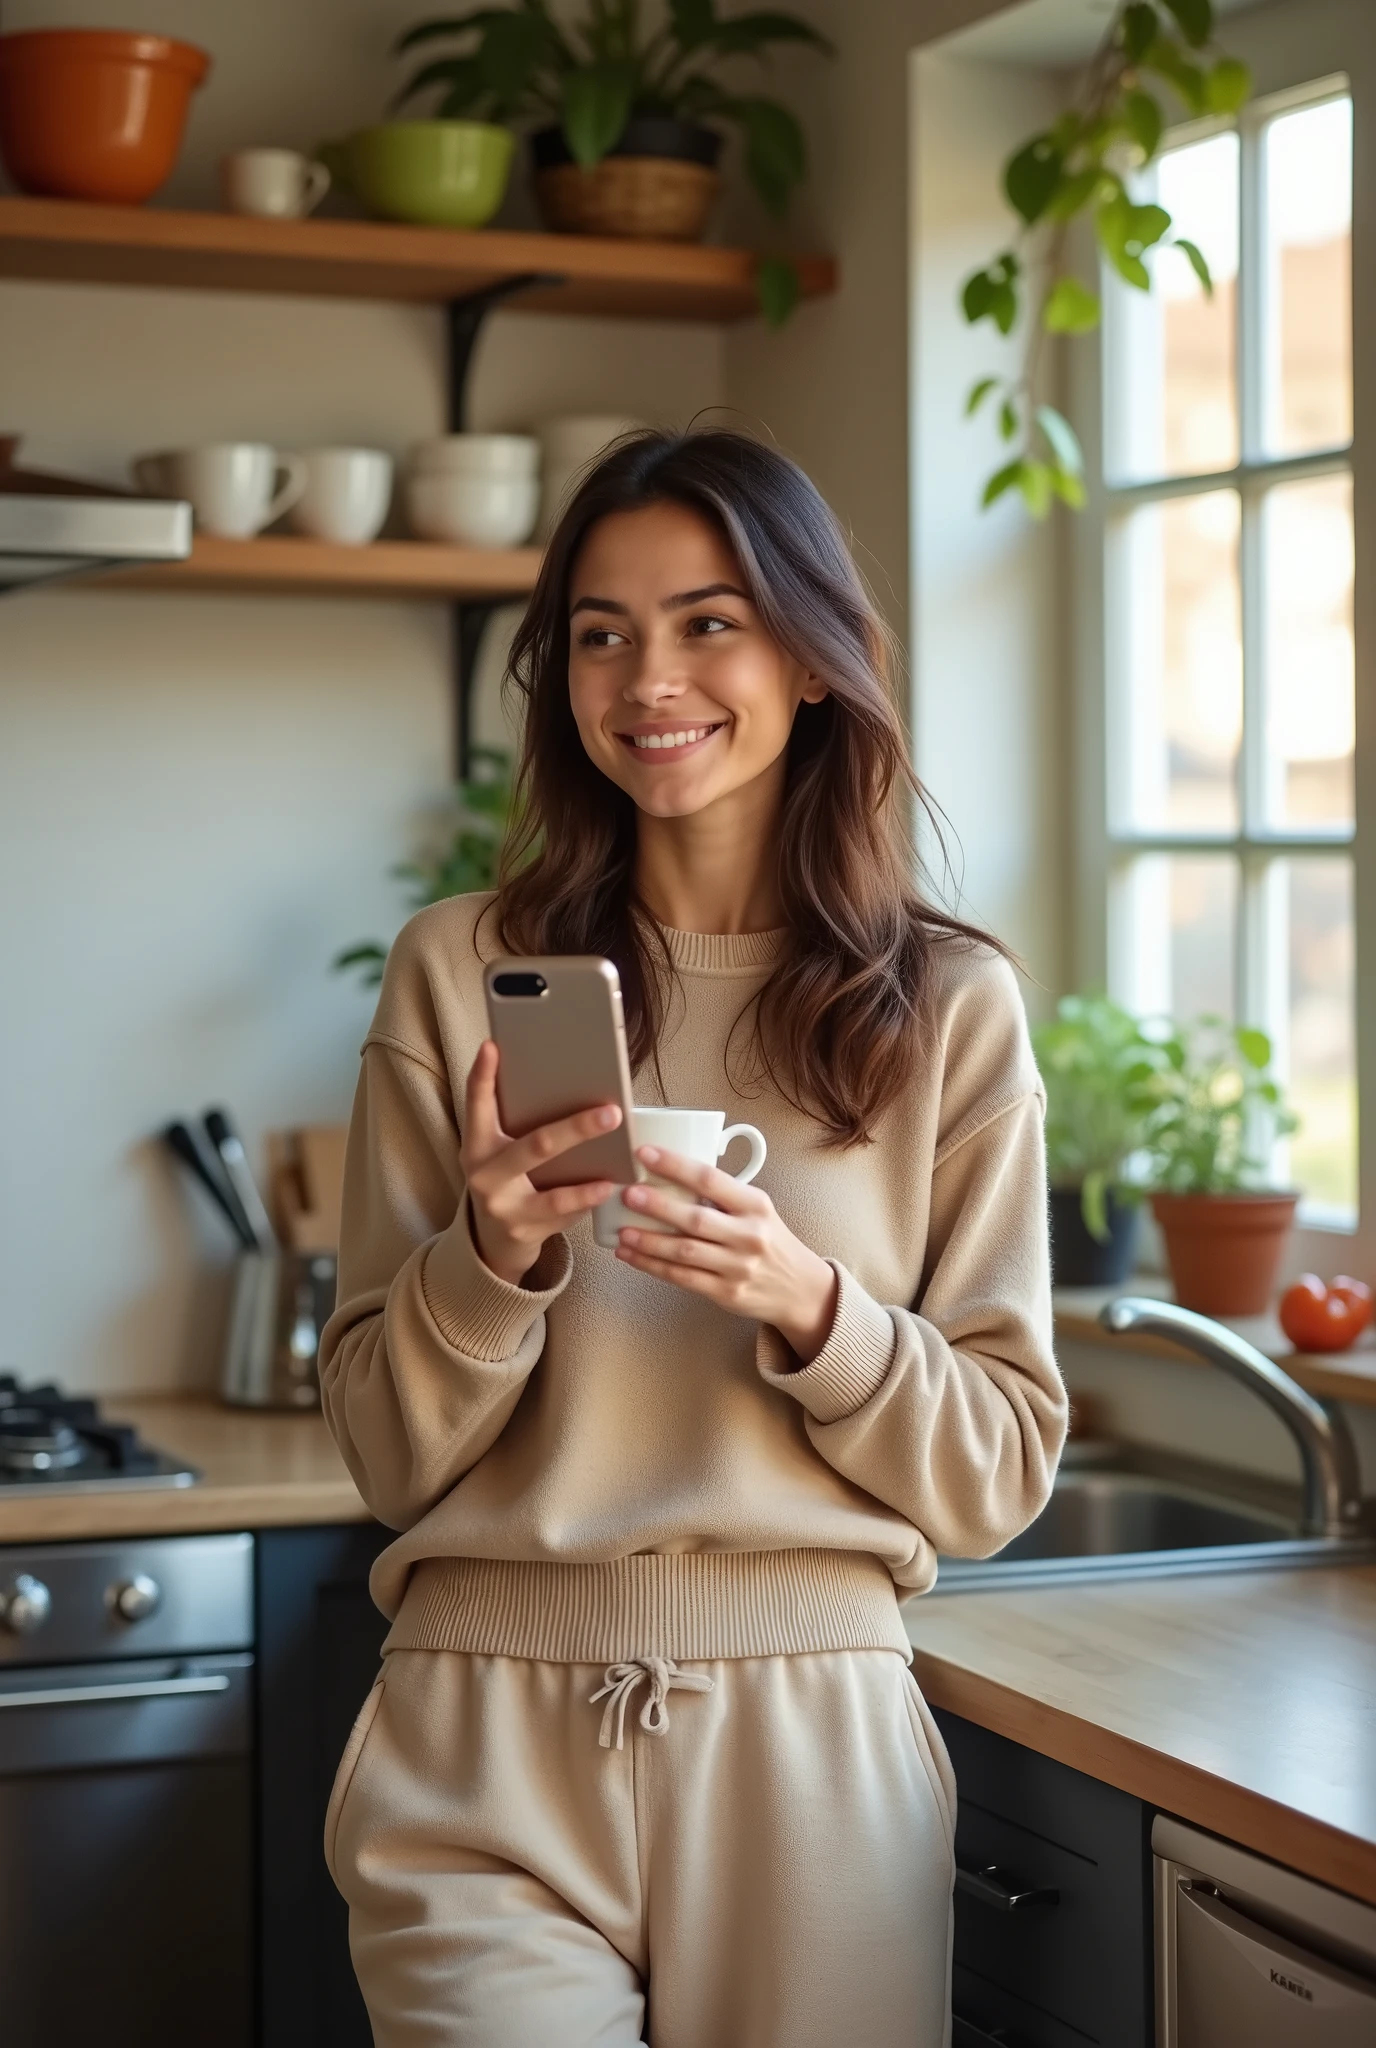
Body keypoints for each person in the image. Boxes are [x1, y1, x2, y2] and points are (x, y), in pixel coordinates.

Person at [319, 429, 1066, 2048]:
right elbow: (385, 1451)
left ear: (811, 659)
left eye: (708, 620)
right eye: (601, 631)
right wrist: (491, 1263)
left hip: (815, 1742)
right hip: (481, 1728)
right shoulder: (460, 976)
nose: (646, 676)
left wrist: (813, 1309)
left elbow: (1000, 1470)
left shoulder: (947, 1010)